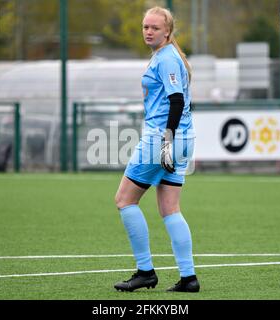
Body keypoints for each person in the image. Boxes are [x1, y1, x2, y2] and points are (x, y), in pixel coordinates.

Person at [113, 6, 199, 293]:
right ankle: (188, 278)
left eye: (154, 28)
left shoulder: (167, 59)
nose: (148, 31)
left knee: (125, 200)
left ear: (167, 31)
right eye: (145, 27)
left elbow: (176, 102)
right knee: (170, 208)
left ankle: (145, 271)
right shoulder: (167, 57)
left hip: (162, 139)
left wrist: (165, 141)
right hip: (181, 140)